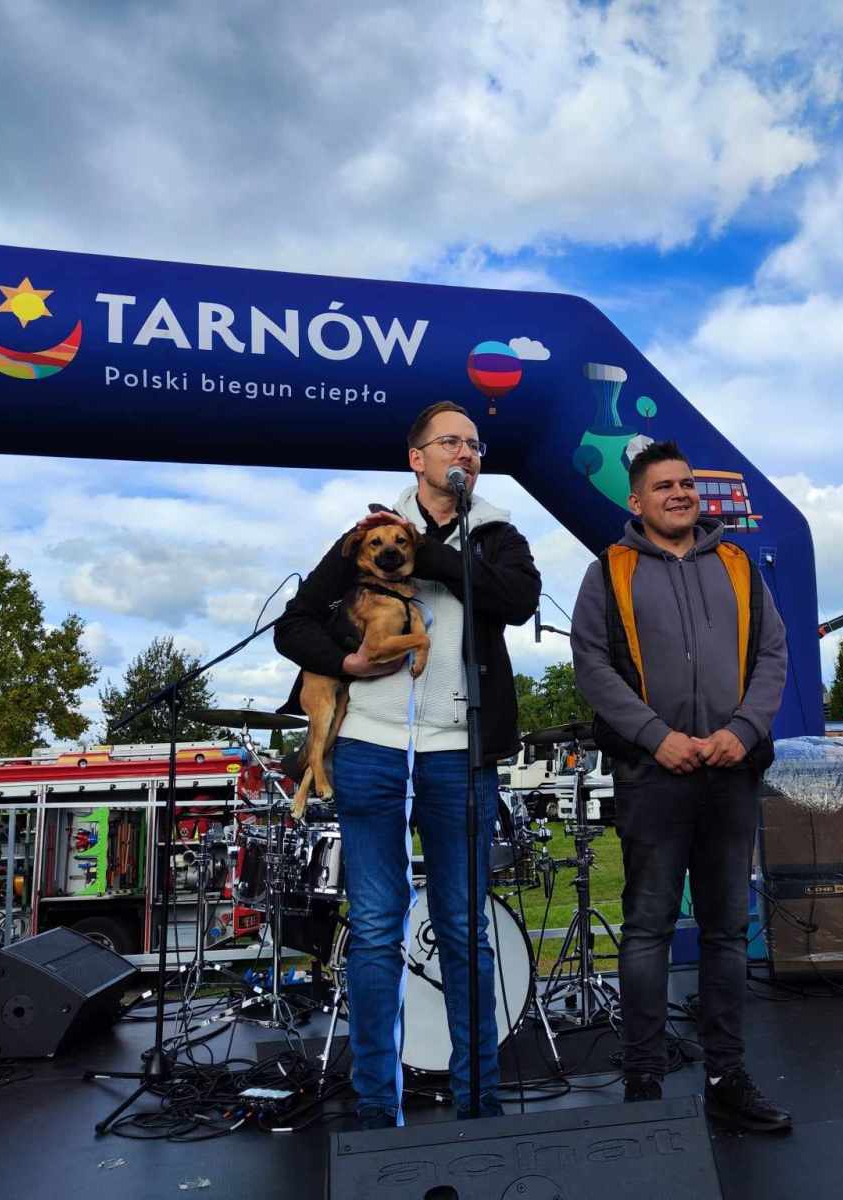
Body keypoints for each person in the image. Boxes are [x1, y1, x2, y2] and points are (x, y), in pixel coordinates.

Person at [274, 401, 540, 1128]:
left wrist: (434, 552)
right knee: (374, 927)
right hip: (371, 748)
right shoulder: (366, 536)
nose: (466, 452)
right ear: (417, 459)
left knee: (463, 928)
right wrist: (345, 663)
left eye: (474, 443)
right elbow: (293, 625)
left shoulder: (497, 535)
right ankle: (375, 1106)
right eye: (450, 441)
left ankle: (478, 1102)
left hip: (460, 750)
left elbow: (518, 601)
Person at [571, 440, 792, 1133]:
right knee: (647, 930)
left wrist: (744, 730)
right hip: (651, 775)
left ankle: (727, 1077)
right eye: (664, 485)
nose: (679, 493)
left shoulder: (738, 565)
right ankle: (643, 1081)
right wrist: (654, 735)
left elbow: (773, 655)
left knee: (727, 932)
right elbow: (592, 665)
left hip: (731, 772)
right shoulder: (608, 570)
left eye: (686, 483)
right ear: (635, 500)